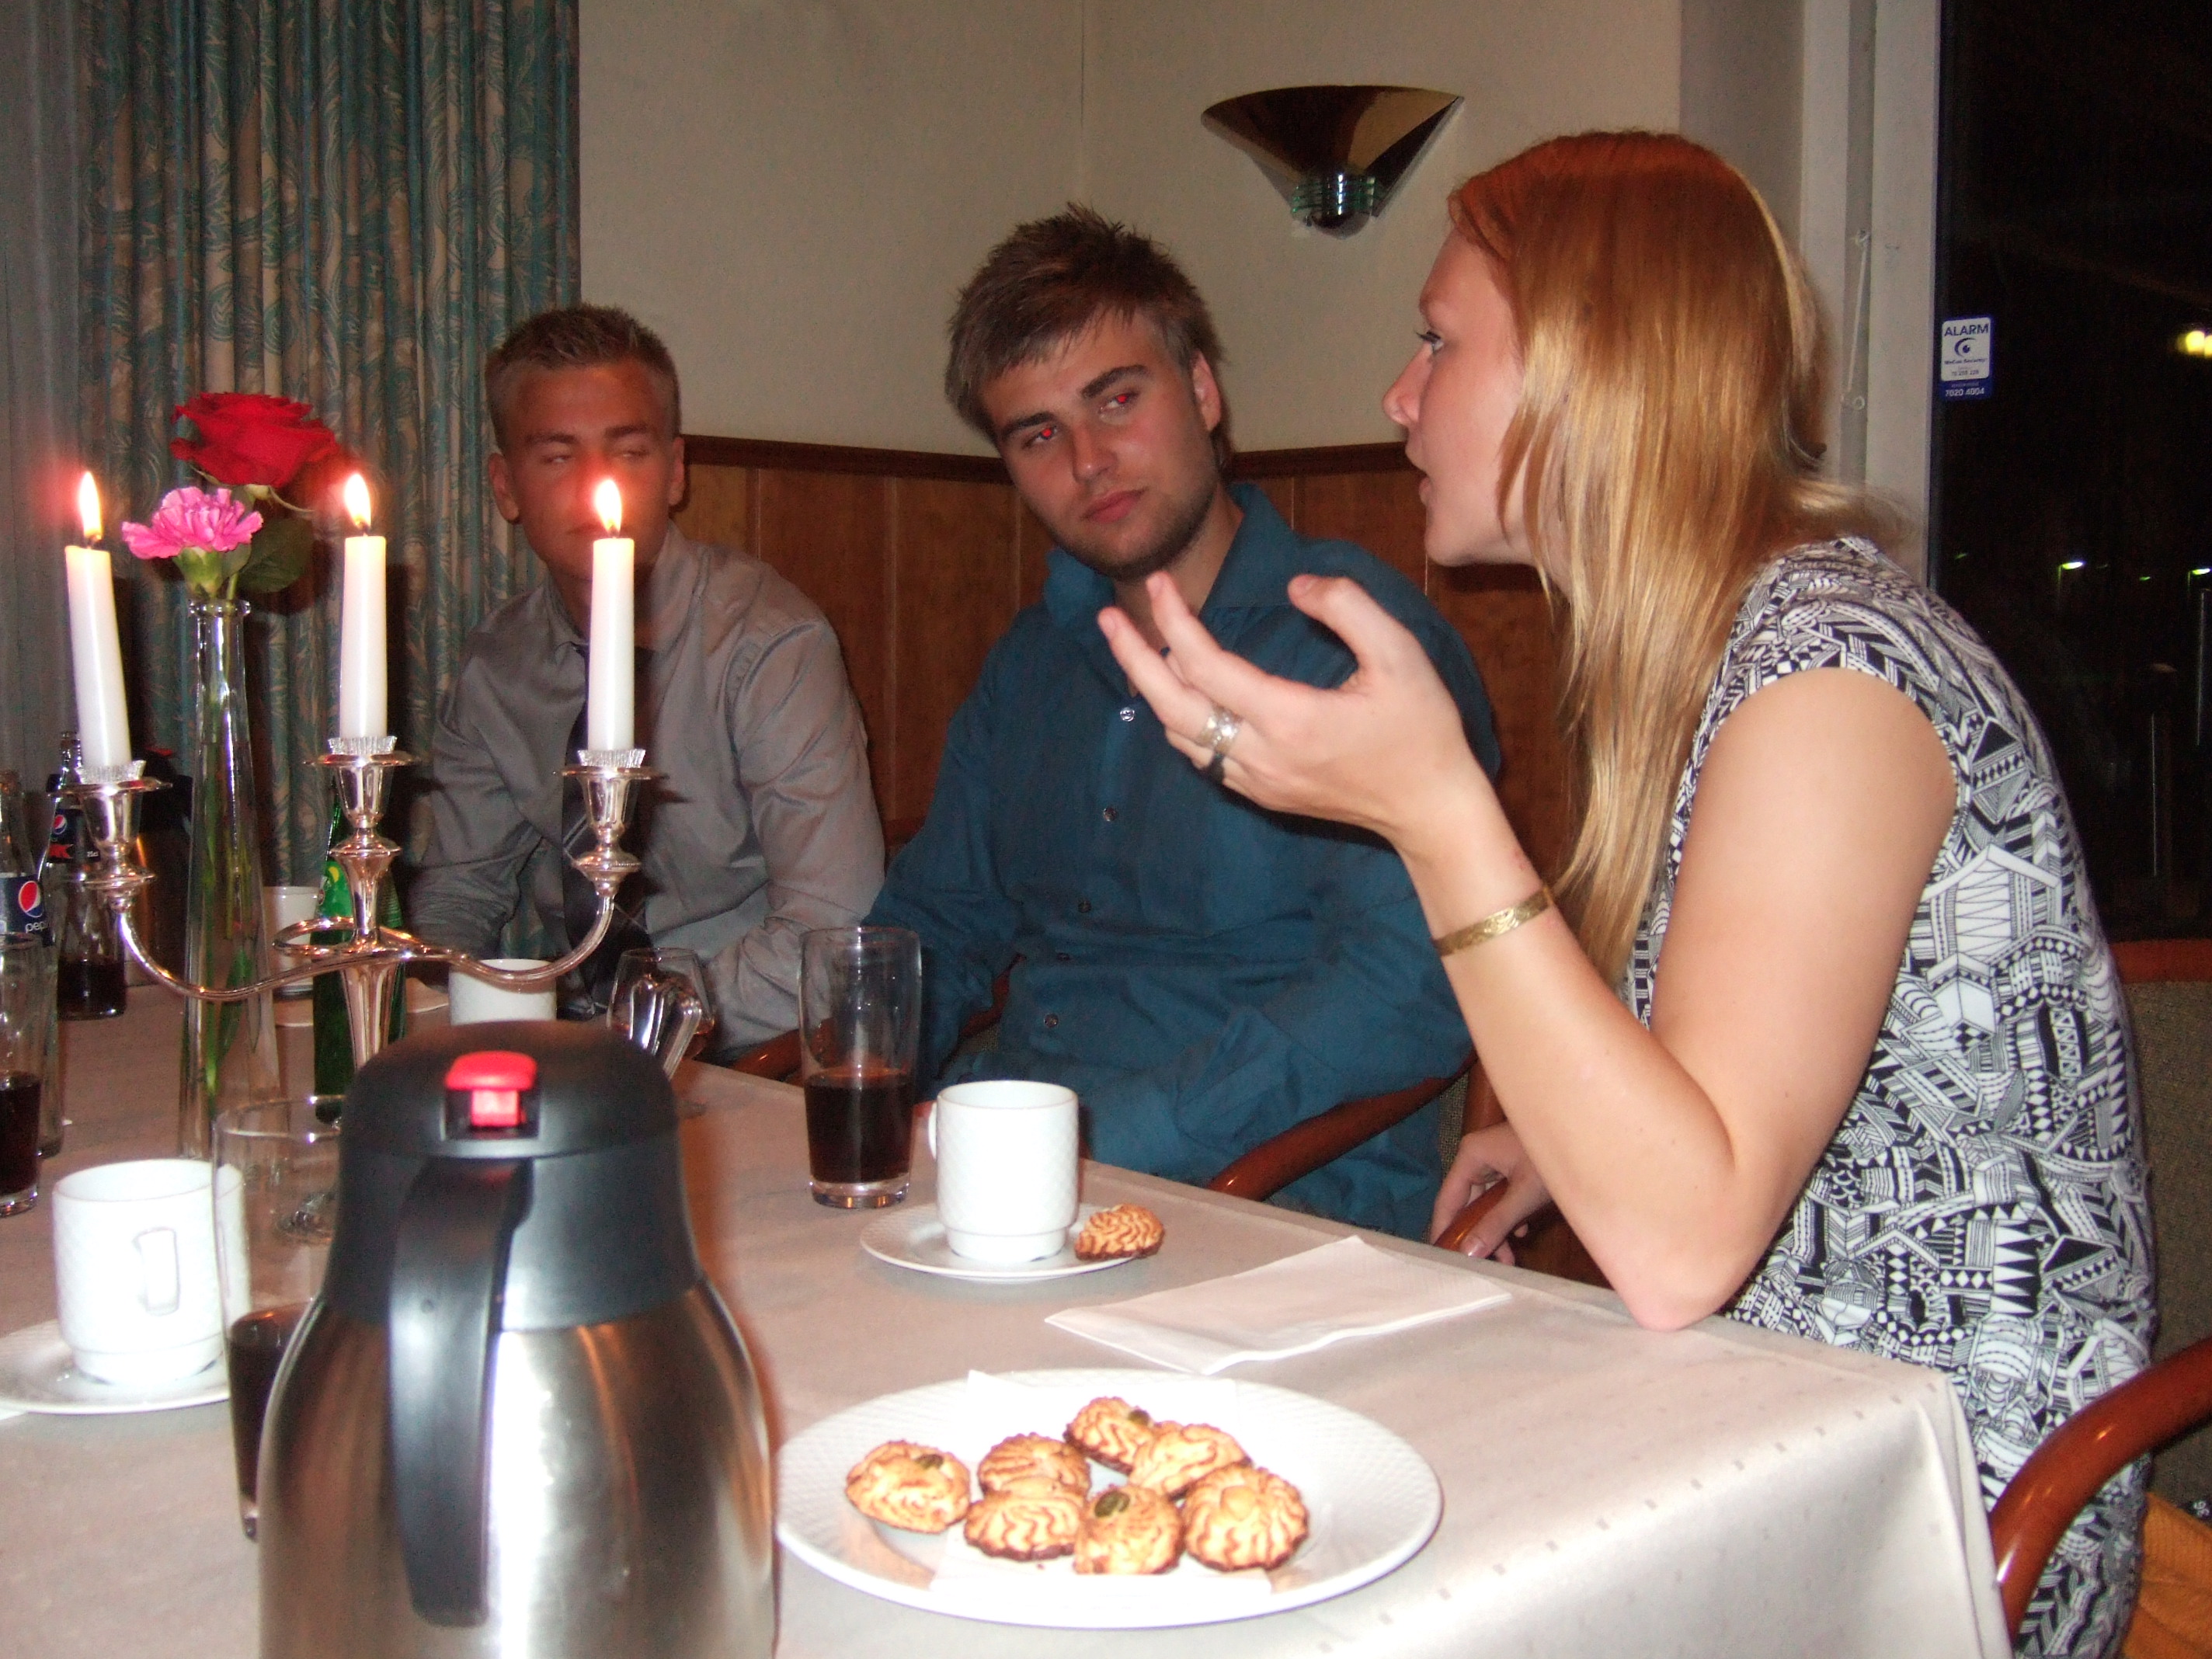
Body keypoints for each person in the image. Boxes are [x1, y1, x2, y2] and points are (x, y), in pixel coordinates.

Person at [1101, 134, 2151, 1656]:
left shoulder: (1831, 676)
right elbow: (1774, 1068)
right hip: (1765, 1406)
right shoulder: (1719, 646)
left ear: (1594, 368)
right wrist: (1557, 1134)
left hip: (1939, 1501)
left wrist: (1434, 814)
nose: (1395, 395)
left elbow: (1677, 1248)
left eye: (1437, 341)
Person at [868, 207, 1500, 1238]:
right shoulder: (1029, 665)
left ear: (1203, 391)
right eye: (1039, 435)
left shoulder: (1354, 644)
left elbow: (1405, 991)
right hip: (1008, 1182)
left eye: (1116, 399)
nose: (1088, 461)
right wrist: (864, 1080)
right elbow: (936, 924)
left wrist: (1109, 1139)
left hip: (1271, 1201)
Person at [412, 304, 884, 1052]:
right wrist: (440, 1012)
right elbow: (460, 893)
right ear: (506, 487)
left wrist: (637, 1032)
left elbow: (829, 927)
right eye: (558, 457)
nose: (596, 485)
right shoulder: (497, 666)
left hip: (747, 1043)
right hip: (573, 1034)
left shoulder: (769, 645)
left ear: (675, 471)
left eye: (628, 452)